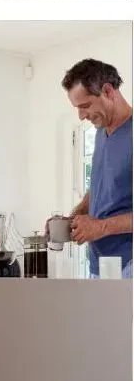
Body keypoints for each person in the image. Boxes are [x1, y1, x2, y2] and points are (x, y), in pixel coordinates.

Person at [52, 59, 132, 278]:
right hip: (100, 265)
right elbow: (100, 188)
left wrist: (101, 227)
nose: (81, 116)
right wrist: (73, 219)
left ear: (107, 91)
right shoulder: (100, 133)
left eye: (85, 105)